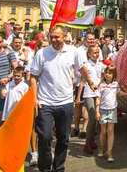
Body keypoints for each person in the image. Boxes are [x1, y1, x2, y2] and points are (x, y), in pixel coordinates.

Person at [30, 25, 91, 172]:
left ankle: (59, 168)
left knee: (63, 139)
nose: (53, 39)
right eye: (51, 36)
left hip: (65, 103)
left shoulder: (73, 51)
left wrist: (90, 82)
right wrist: (34, 98)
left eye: (57, 37)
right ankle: (44, 168)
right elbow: (33, 76)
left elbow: (82, 68)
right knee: (45, 137)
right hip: (45, 103)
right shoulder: (42, 53)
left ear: (64, 37)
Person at [97, 64, 127, 161]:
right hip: (103, 110)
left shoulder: (116, 85)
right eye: (106, 73)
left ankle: (110, 151)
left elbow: (118, 93)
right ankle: (101, 147)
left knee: (110, 131)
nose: (107, 75)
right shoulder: (101, 85)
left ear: (113, 75)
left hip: (112, 110)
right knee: (103, 131)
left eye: (110, 73)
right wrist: (97, 111)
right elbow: (98, 98)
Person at [26, 37, 50, 167]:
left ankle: (45, 150)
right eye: (42, 46)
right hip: (36, 95)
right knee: (34, 125)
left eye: (47, 46)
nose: (45, 49)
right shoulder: (33, 61)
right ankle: (34, 152)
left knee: (46, 127)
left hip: (49, 96)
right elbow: (30, 78)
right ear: (38, 48)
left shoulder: (53, 59)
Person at [72, 31, 99, 139]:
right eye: (89, 39)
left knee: (89, 108)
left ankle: (85, 130)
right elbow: (73, 65)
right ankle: (76, 127)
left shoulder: (97, 49)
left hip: (92, 84)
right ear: (84, 40)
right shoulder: (78, 50)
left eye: (93, 39)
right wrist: (73, 77)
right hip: (80, 81)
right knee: (78, 106)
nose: (91, 41)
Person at [79, 46, 104, 154]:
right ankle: (87, 142)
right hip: (89, 94)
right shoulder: (86, 65)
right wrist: (77, 97)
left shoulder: (100, 65)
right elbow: (82, 80)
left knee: (97, 118)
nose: (96, 54)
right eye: (94, 52)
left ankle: (91, 139)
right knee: (92, 115)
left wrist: (101, 82)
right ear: (89, 54)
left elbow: (108, 72)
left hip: (98, 94)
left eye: (98, 52)